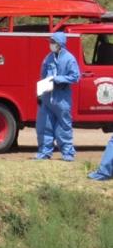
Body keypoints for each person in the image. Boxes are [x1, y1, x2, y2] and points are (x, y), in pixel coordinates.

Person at [35, 32, 80, 161]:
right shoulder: (48, 58)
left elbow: (75, 77)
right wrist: (40, 93)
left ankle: (67, 153)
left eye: (53, 42)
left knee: (63, 126)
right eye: (50, 42)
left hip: (62, 99)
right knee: (44, 125)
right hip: (47, 98)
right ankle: (44, 152)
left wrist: (58, 79)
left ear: (60, 44)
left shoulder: (69, 59)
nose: (51, 44)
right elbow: (43, 76)